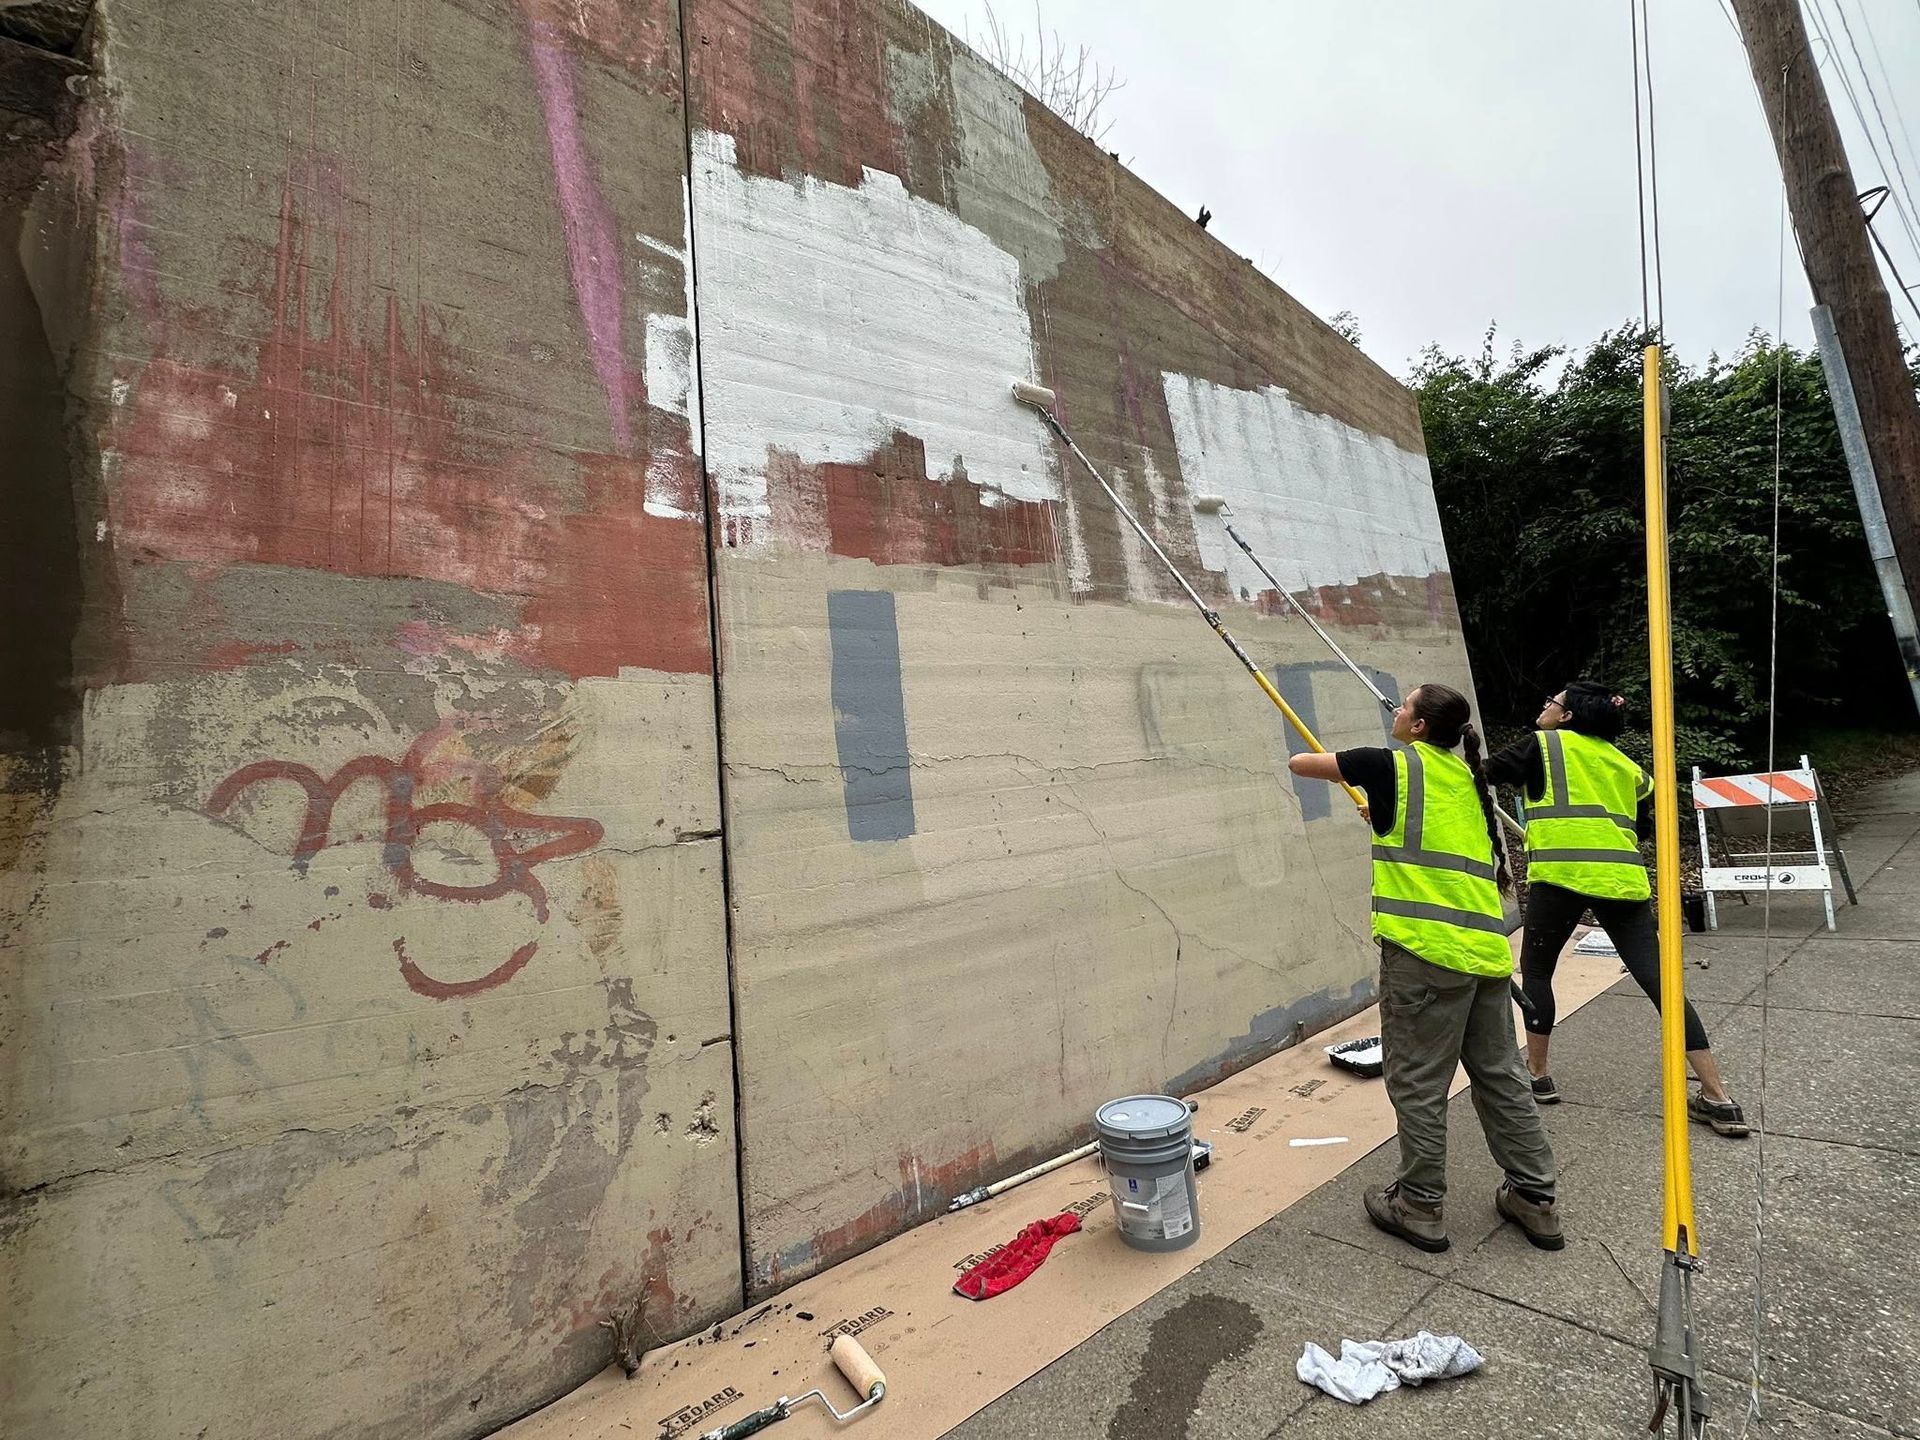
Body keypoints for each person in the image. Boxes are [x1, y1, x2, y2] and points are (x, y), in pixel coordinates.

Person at [1289, 683, 1562, 1253]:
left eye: (1403, 705)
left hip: (1423, 957)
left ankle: (1418, 1205)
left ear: (1417, 726)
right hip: (1485, 956)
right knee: (1501, 1077)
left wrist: (1373, 787)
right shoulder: (1469, 780)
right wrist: (1381, 814)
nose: (1397, 709)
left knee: (1418, 1083)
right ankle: (1536, 1200)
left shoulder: (1388, 765)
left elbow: (1301, 762)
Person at [1486, 681, 1749, 1137]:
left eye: (1552, 702)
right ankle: (1718, 1097)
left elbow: (1482, 774)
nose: (1544, 707)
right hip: (1622, 884)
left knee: (1540, 975)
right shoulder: (1630, 768)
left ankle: (1538, 1075)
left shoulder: (1544, 745)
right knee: (1663, 985)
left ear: (1567, 717)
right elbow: (1641, 830)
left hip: (1559, 880)